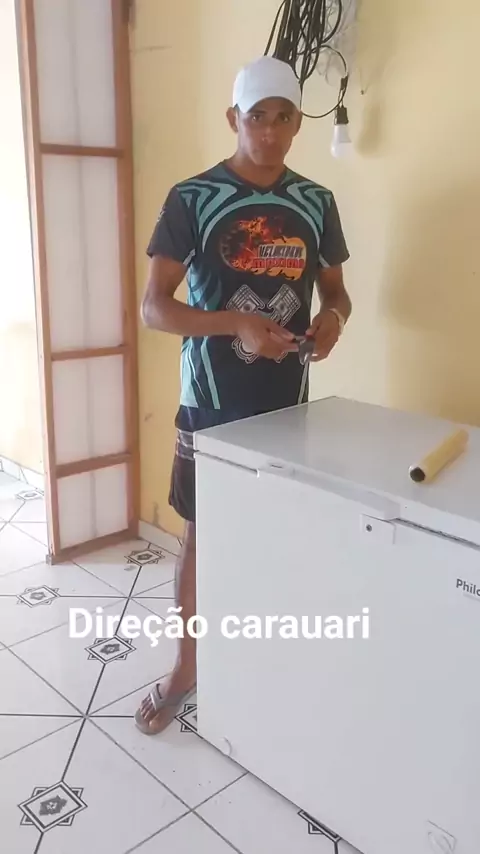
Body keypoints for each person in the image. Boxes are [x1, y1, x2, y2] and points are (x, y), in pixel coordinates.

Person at [134, 55, 351, 734]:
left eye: (285, 117)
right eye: (258, 116)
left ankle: (264, 661)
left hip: (288, 409)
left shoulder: (316, 202)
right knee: (203, 538)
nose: (272, 131)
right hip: (212, 406)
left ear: (297, 123)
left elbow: (337, 291)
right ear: (234, 118)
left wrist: (334, 318)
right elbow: (153, 308)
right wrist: (235, 323)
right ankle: (187, 666)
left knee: (279, 537)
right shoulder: (193, 197)